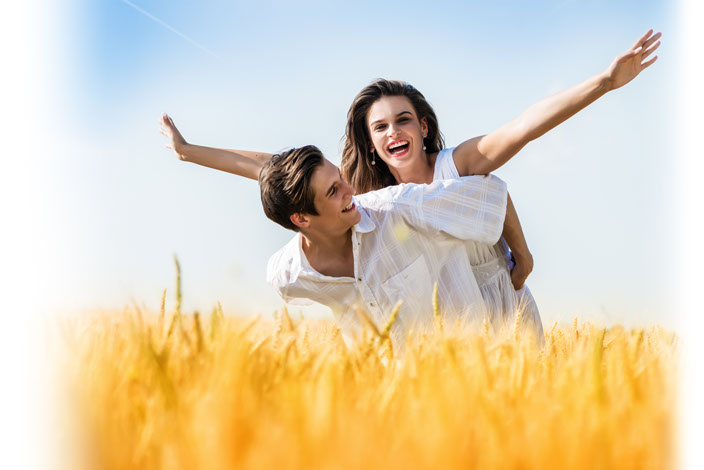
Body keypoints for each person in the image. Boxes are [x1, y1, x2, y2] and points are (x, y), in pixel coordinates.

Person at [338, 29, 660, 326]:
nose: (393, 131)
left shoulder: (456, 166)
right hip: (445, 325)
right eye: (380, 126)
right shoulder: (373, 203)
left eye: (403, 120)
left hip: (503, 304)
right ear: (370, 143)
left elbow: (520, 132)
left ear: (423, 128)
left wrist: (605, 81)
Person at [258, 145, 523, 349]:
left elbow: (489, 193)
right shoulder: (287, 276)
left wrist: (523, 256)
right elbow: (272, 181)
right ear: (301, 219)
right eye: (333, 191)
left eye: (340, 177)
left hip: (466, 370)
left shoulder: (396, 208)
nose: (349, 189)